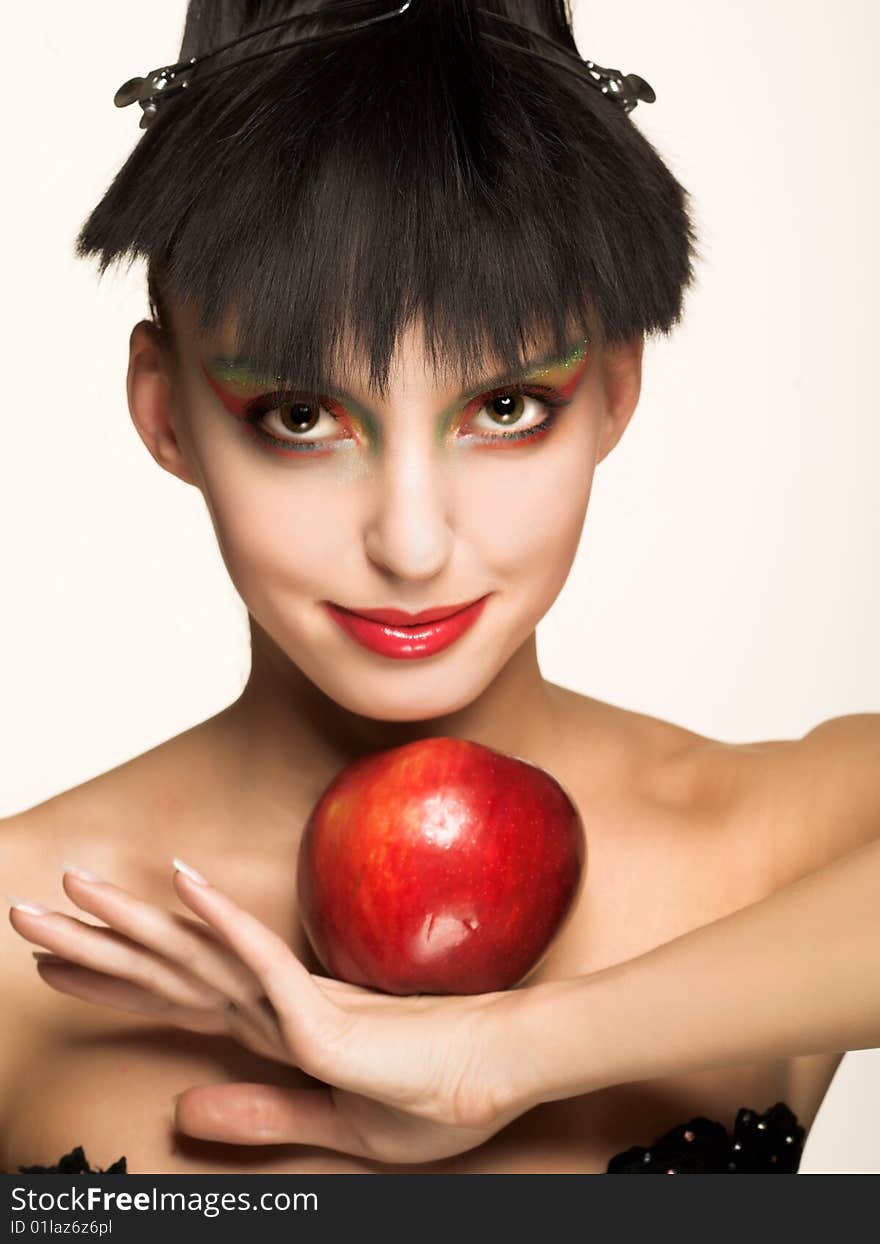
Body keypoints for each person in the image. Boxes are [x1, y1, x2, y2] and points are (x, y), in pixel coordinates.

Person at [2, 0, 879, 1176]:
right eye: (301, 416)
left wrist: (505, 1052)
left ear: (615, 388)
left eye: (505, 407)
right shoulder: (27, 940)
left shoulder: (784, 845)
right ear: (167, 412)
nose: (412, 543)